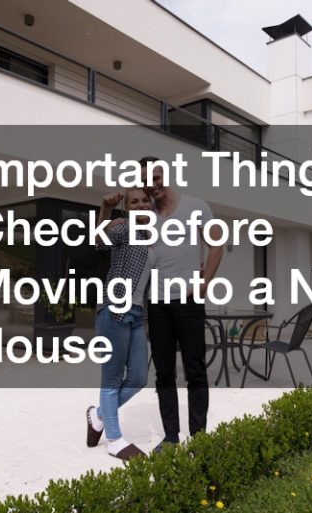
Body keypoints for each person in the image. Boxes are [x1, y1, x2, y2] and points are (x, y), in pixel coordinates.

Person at [142, 156, 224, 450]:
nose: (153, 186)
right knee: (164, 373)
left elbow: (217, 243)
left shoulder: (196, 206)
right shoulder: (145, 214)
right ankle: (171, 436)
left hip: (188, 302)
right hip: (157, 303)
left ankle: (198, 436)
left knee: (195, 369)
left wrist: (204, 283)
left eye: (156, 177)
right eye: (147, 182)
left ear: (166, 174)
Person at [86, 186, 155, 461]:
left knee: (138, 378)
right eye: (134, 202)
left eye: (144, 201)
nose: (140, 205)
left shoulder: (152, 236)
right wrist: (105, 209)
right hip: (114, 311)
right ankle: (114, 438)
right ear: (127, 208)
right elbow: (98, 241)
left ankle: (98, 415)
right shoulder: (123, 227)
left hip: (137, 315)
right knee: (112, 379)